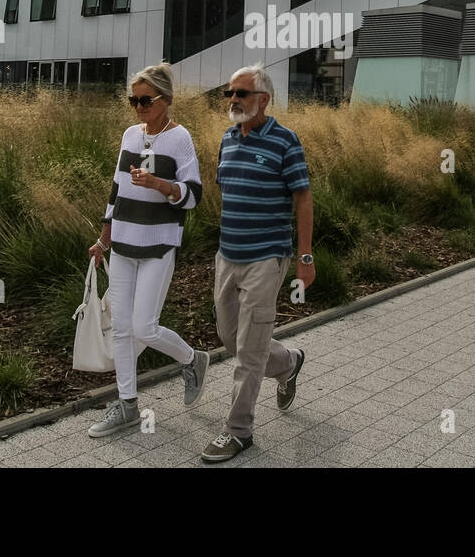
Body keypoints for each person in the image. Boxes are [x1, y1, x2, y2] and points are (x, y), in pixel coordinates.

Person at [87, 63, 209, 438]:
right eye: (133, 100)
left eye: (145, 100)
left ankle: (192, 359)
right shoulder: (129, 135)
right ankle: (126, 405)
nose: (138, 107)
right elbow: (116, 191)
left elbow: (193, 195)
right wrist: (103, 239)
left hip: (158, 244)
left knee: (144, 326)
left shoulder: (180, 139)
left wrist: (160, 184)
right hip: (123, 242)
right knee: (122, 330)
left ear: (165, 100)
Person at [201, 63, 314, 463]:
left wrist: (304, 257)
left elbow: (302, 200)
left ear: (263, 100)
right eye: (230, 93)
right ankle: (288, 363)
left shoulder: (286, 141)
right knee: (230, 337)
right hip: (227, 255)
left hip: (267, 257)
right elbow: (230, 193)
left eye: (241, 94)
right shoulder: (228, 139)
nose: (232, 100)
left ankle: (238, 431)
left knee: (249, 350)